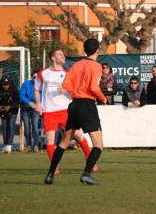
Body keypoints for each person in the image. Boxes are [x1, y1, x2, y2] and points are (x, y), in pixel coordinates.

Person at [44, 39, 107, 185]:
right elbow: (93, 87)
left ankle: (50, 174)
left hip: (74, 105)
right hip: (87, 105)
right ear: (98, 50)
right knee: (98, 144)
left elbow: (66, 85)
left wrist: (76, 93)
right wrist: (102, 98)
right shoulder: (96, 66)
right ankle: (86, 174)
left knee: (64, 143)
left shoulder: (76, 65)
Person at [36, 48, 96, 178]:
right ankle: (54, 168)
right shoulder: (43, 73)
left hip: (65, 110)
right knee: (50, 140)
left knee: (79, 136)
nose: (63, 56)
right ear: (53, 58)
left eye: (63, 54)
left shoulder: (68, 73)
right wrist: (39, 104)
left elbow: (74, 92)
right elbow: (37, 89)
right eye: (60, 54)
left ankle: (91, 162)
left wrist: (66, 91)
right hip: (49, 112)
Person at [0, 76, 19, 153]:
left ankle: (9, 145)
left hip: (13, 110)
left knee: (11, 126)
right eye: (4, 84)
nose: (5, 86)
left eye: (7, 84)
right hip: (2, 111)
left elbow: (17, 101)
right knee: (4, 127)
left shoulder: (14, 88)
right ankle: (5, 144)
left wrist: (10, 106)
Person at [19, 71, 40, 152]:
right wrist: (29, 102)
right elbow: (21, 95)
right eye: (34, 77)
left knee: (35, 126)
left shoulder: (41, 85)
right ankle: (28, 145)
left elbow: (42, 96)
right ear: (32, 77)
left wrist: (37, 104)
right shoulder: (26, 84)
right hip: (25, 108)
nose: (36, 79)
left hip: (35, 109)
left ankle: (36, 146)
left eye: (37, 77)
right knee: (27, 128)